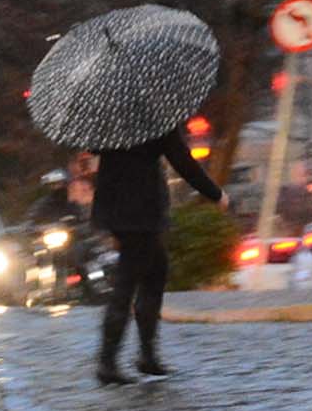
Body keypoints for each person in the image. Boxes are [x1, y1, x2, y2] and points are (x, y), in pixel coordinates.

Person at [90, 121, 224, 385]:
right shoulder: (156, 115)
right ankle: (109, 361)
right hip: (143, 210)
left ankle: (146, 355)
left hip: (114, 206)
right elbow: (181, 159)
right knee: (128, 280)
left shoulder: (106, 115)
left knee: (154, 272)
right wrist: (215, 194)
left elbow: (95, 149)